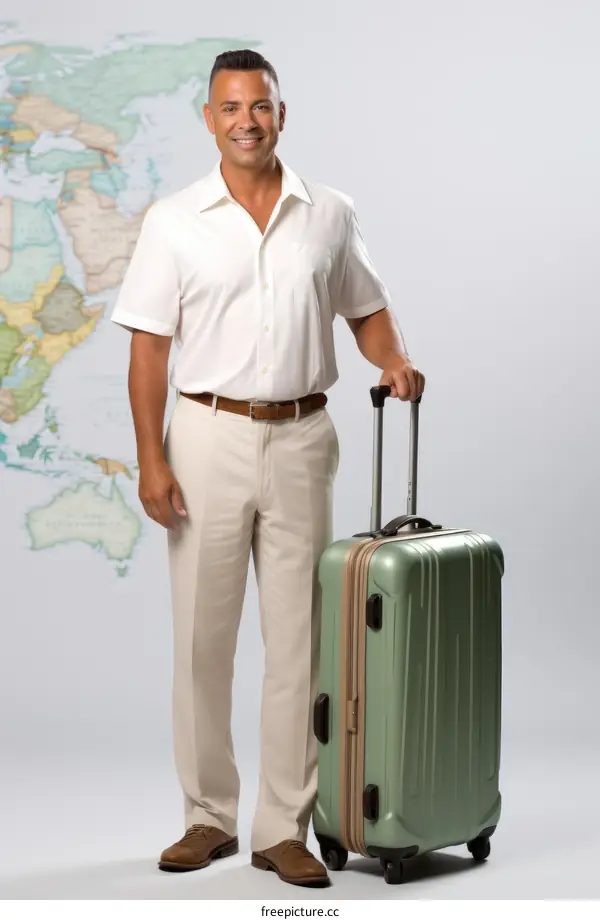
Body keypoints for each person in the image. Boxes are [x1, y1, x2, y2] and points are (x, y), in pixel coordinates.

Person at [110, 48, 425, 888]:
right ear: (209, 119)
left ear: (283, 113)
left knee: (301, 643)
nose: (247, 120)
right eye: (230, 107)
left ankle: (281, 826)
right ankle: (206, 817)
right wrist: (150, 458)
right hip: (204, 439)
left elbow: (367, 308)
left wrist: (391, 360)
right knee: (202, 642)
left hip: (301, 439)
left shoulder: (330, 213)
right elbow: (148, 348)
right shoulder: (175, 221)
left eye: (261, 105)